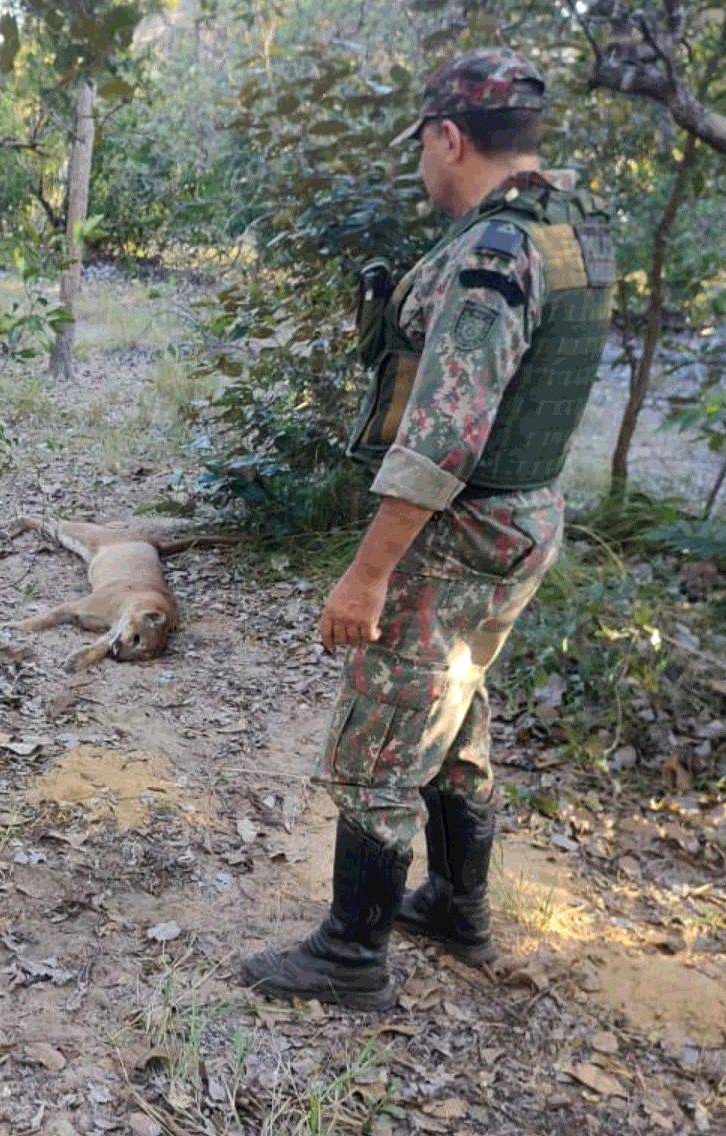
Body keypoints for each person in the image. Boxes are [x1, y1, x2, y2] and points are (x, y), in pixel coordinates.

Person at [241, 50, 616, 1011]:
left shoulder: (496, 254)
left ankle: (350, 955)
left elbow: (444, 436)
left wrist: (366, 575)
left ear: (450, 138)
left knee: (380, 734)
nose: (421, 165)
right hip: (524, 517)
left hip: (463, 526)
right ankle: (455, 904)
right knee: (454, 702)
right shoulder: (573, 232)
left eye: (422, 147)